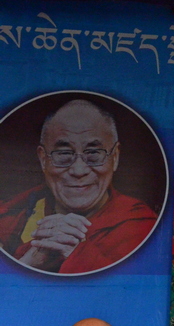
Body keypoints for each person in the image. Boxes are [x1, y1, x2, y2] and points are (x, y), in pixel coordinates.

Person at [0, 99, 157, 274]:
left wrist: (77, 253)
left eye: (94, 153)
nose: (78, 170)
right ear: (43, 159)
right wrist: (27, 263)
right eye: (63, 153)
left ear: (115, 157)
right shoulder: (11, 218)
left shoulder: (140, 227)